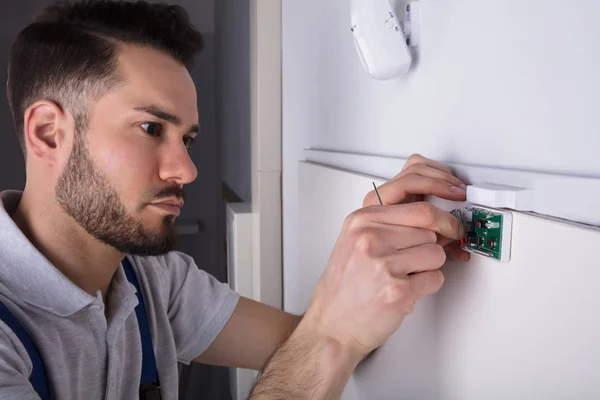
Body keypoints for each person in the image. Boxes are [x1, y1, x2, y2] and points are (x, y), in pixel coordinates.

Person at [0, 1, 470, 399]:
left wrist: (371, 248)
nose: (186, 170)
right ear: (49, 133)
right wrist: (335, 334)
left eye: (187, 139)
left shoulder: (152, 281)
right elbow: (326, 339)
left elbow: (318, 339)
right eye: (151, 129)